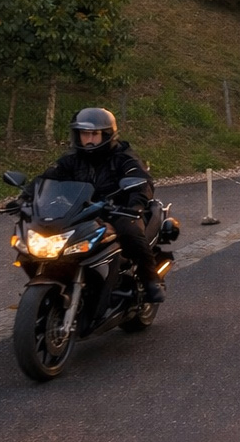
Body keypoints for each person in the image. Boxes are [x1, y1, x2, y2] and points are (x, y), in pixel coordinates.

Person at [34, 107, 165, 303]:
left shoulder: (124, 158)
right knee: (43, 233)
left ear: (107, 134)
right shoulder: (71, 160)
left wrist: (135, 207)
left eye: (94, 134)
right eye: (84, 134)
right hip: (81, 212)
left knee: (129, 232)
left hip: (118, 211)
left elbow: (141, 183)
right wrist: (25, 198)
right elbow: (46, 179)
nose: (88, 139)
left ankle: (151, 281)